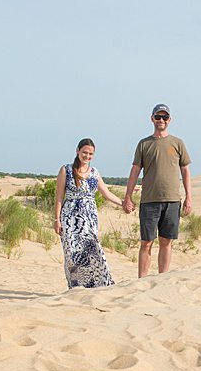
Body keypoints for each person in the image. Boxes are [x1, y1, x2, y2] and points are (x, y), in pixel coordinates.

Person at [122, 104, 192, 278]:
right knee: (146, 242)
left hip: (172, 200)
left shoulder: (178, 143)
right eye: (158, 117)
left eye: (165, 117)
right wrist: (128, 196)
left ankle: (163, 278)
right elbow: (135, 171)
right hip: (149, 201)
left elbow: (185, 171)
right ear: (152, 118)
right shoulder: (144, 144)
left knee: (166, 241)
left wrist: (189, 197)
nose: (161, 120)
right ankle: (142, 280)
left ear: (170, 120)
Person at [54, 138, 124, 289]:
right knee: (72, 253)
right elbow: (59, 196)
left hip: (89, 217)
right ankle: (76, 286)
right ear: (77, 151)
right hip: (69, 217)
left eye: (90, 154)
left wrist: (123, 203)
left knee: (92, 250)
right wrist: (57, 219)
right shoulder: (65, 170)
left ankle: (98, 285)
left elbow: (107, 193)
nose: (87, 156)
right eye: (84, 152)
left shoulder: (94, 173)